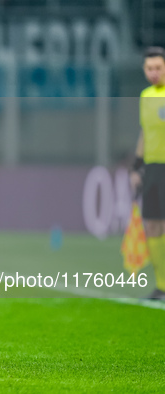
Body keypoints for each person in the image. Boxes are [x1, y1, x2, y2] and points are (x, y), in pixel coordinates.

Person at [130, 46, 165, 300]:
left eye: (158, 68)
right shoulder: (145, 96)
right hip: (152, 168)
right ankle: (161, 285)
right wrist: (136, 167)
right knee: (152, 225)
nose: (153, 72)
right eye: (149, 68)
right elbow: (145, 133)